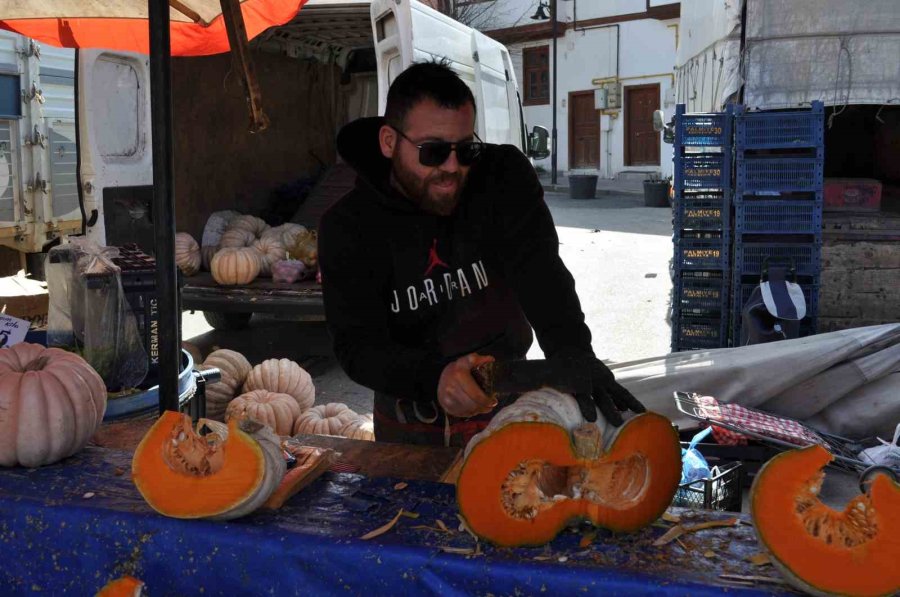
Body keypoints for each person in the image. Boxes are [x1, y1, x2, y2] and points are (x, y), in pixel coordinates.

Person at [319, 61, 644, 447]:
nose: (452, 168)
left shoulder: (501, 179)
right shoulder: (348, 226)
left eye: (466, 149)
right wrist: (435, 378)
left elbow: (541, 274)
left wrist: (572, 351)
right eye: (433, 152)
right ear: (389, 141)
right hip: (409, 423)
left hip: (508, 407)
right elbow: (357, 345)